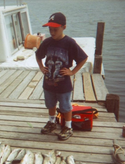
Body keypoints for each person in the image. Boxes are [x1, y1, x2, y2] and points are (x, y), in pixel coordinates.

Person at [36, 12, 88, 140]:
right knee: (50, 104)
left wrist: (72, 72)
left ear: (64, 27)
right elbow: (38, 55)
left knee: (65, 106)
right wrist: (41, 67)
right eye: (50, 29)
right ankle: (52, 122)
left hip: (63, 83)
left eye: (55, 29)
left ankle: (68, 127)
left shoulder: (69, 43)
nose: (52, 32)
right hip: (48, 82)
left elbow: (83, 58)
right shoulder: (47, 42)